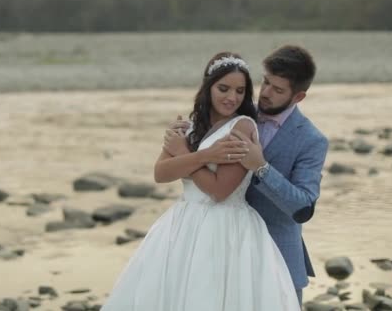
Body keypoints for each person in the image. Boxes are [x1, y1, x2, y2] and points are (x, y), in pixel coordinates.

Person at [101, 52, 301, 311]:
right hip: (182, 224)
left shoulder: (242, 127)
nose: (232, 97)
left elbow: (219, 191)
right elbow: (161, 173)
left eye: (240, 91)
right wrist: (205, 155)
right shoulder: (193, 124)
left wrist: (185, 154)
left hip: (225, 228)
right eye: (223, 88)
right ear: (208, 87)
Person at [167, 45, 329, 305]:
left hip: (278, 256)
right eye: (265, 82)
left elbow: (303, 207)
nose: (265, 93)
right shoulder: (235, 112)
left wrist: (262, 168)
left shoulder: (311, 140)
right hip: (222, 249)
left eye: (278, 90)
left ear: (298, 97)